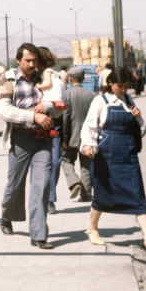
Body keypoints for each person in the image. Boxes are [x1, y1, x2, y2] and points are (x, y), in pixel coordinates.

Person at [79, 70, 146, 260]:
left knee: (138, 196)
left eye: (126, 86)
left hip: (128, 155)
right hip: (106, 156)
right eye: (119, 86)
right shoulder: (100, 101)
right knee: (102, 193)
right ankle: (92, 228)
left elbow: (138, 125)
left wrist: (138, 116)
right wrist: (89, 145)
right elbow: (90, 126)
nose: (123, 90)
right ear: (110, 84)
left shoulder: (129, 100)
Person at [0, 43, 57, 249]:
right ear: (18, 61)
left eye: (34, 61)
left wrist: (48, 106)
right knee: (14, 185)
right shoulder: (8, 79)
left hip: (43, 140)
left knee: (41, 186)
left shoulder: (46, 78)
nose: (32, 64)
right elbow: (4, 110)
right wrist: (33, 116)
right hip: (20, 139)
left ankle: (38, 235)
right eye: (27, 61)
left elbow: (60, 103)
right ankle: (7, 216)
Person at [61, 66, 97, 202]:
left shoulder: (66, 95)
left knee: (66, 160)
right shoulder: (92, 95)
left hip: (71, 137)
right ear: (82, 79)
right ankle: (86, 194)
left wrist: (64, 139)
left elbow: (65, 118)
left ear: (70, 79)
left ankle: (74, 183)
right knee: (86, 165)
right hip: (88, 138)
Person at [37, 48, 66, 215]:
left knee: (54, 163)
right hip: (36, 126)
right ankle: (41, 199)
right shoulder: (33, 77)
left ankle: (49, 198)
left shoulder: (52, 78)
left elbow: (60, 106)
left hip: (53, 126)